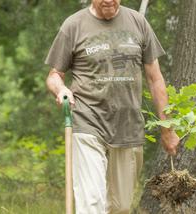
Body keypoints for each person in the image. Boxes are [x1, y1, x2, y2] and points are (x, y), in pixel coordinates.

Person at [45, 0, 180, 213]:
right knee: (92, 204)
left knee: (121, 207)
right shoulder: (74, 25)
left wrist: (167, 129)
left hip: (128, 126)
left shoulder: (138, 22)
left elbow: (155, 79)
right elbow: (54, 76)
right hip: (87, 120)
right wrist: (61, 89)